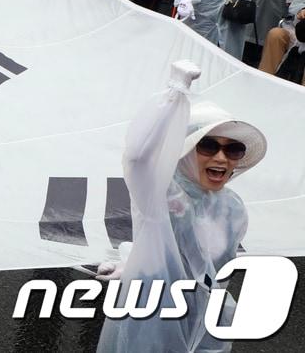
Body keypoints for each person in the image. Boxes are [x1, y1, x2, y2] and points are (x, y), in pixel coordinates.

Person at [97, 61, 263, 353]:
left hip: (206, 326)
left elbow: (214, 269)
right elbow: (136, 158)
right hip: (152, 323)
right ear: (185, 149)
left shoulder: (233, 209)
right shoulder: (160, 194)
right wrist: (175, 91)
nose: (222, 158)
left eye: (233, 149)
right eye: (208, 145)